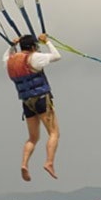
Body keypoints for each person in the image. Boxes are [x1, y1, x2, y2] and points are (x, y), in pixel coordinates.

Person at [4, 33, 61, 181]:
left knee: (33, 138)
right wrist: (47, 41)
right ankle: (49, 162)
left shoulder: (9, 61)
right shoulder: (34, 58)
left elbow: (7, 55)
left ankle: (24, 164)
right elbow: (56, 56)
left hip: (26, 102)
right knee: (54, 133)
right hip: (42, 99)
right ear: (33, 47)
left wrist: (12, 45)